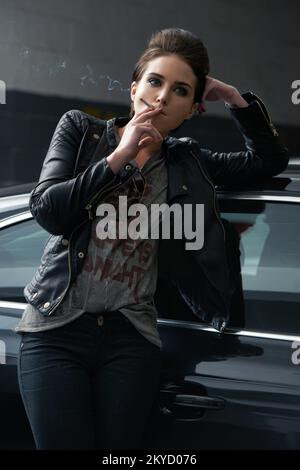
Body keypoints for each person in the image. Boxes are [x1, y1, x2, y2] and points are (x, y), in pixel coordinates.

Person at [16, 27, 289, 450]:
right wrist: (119, 156)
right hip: (56, 331)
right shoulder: (81, 131)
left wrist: (236, 99)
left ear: (192, 110)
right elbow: (49, 210)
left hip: (131, 341)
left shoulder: (187, 162)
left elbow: (268, 161)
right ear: (134, 88)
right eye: (155, 82)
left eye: (180, 91)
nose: (162, 97)